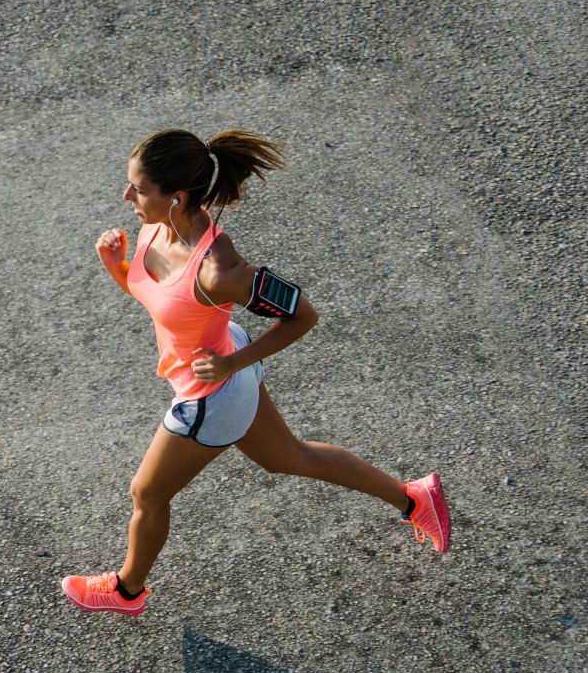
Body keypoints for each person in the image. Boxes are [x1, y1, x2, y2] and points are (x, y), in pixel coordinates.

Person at [61, 129, 451, 617]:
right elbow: (161, 304)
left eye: (137, 188)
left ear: (176, 196)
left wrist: (230, 364)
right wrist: (116, 267)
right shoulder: (154, 229)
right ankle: (416, 499)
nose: (126, 197)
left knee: (146, 491)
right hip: (221, 372)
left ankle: (126, 590)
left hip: (212, 394)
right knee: (290, 456)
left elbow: (303, 315)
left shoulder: (220, 269)